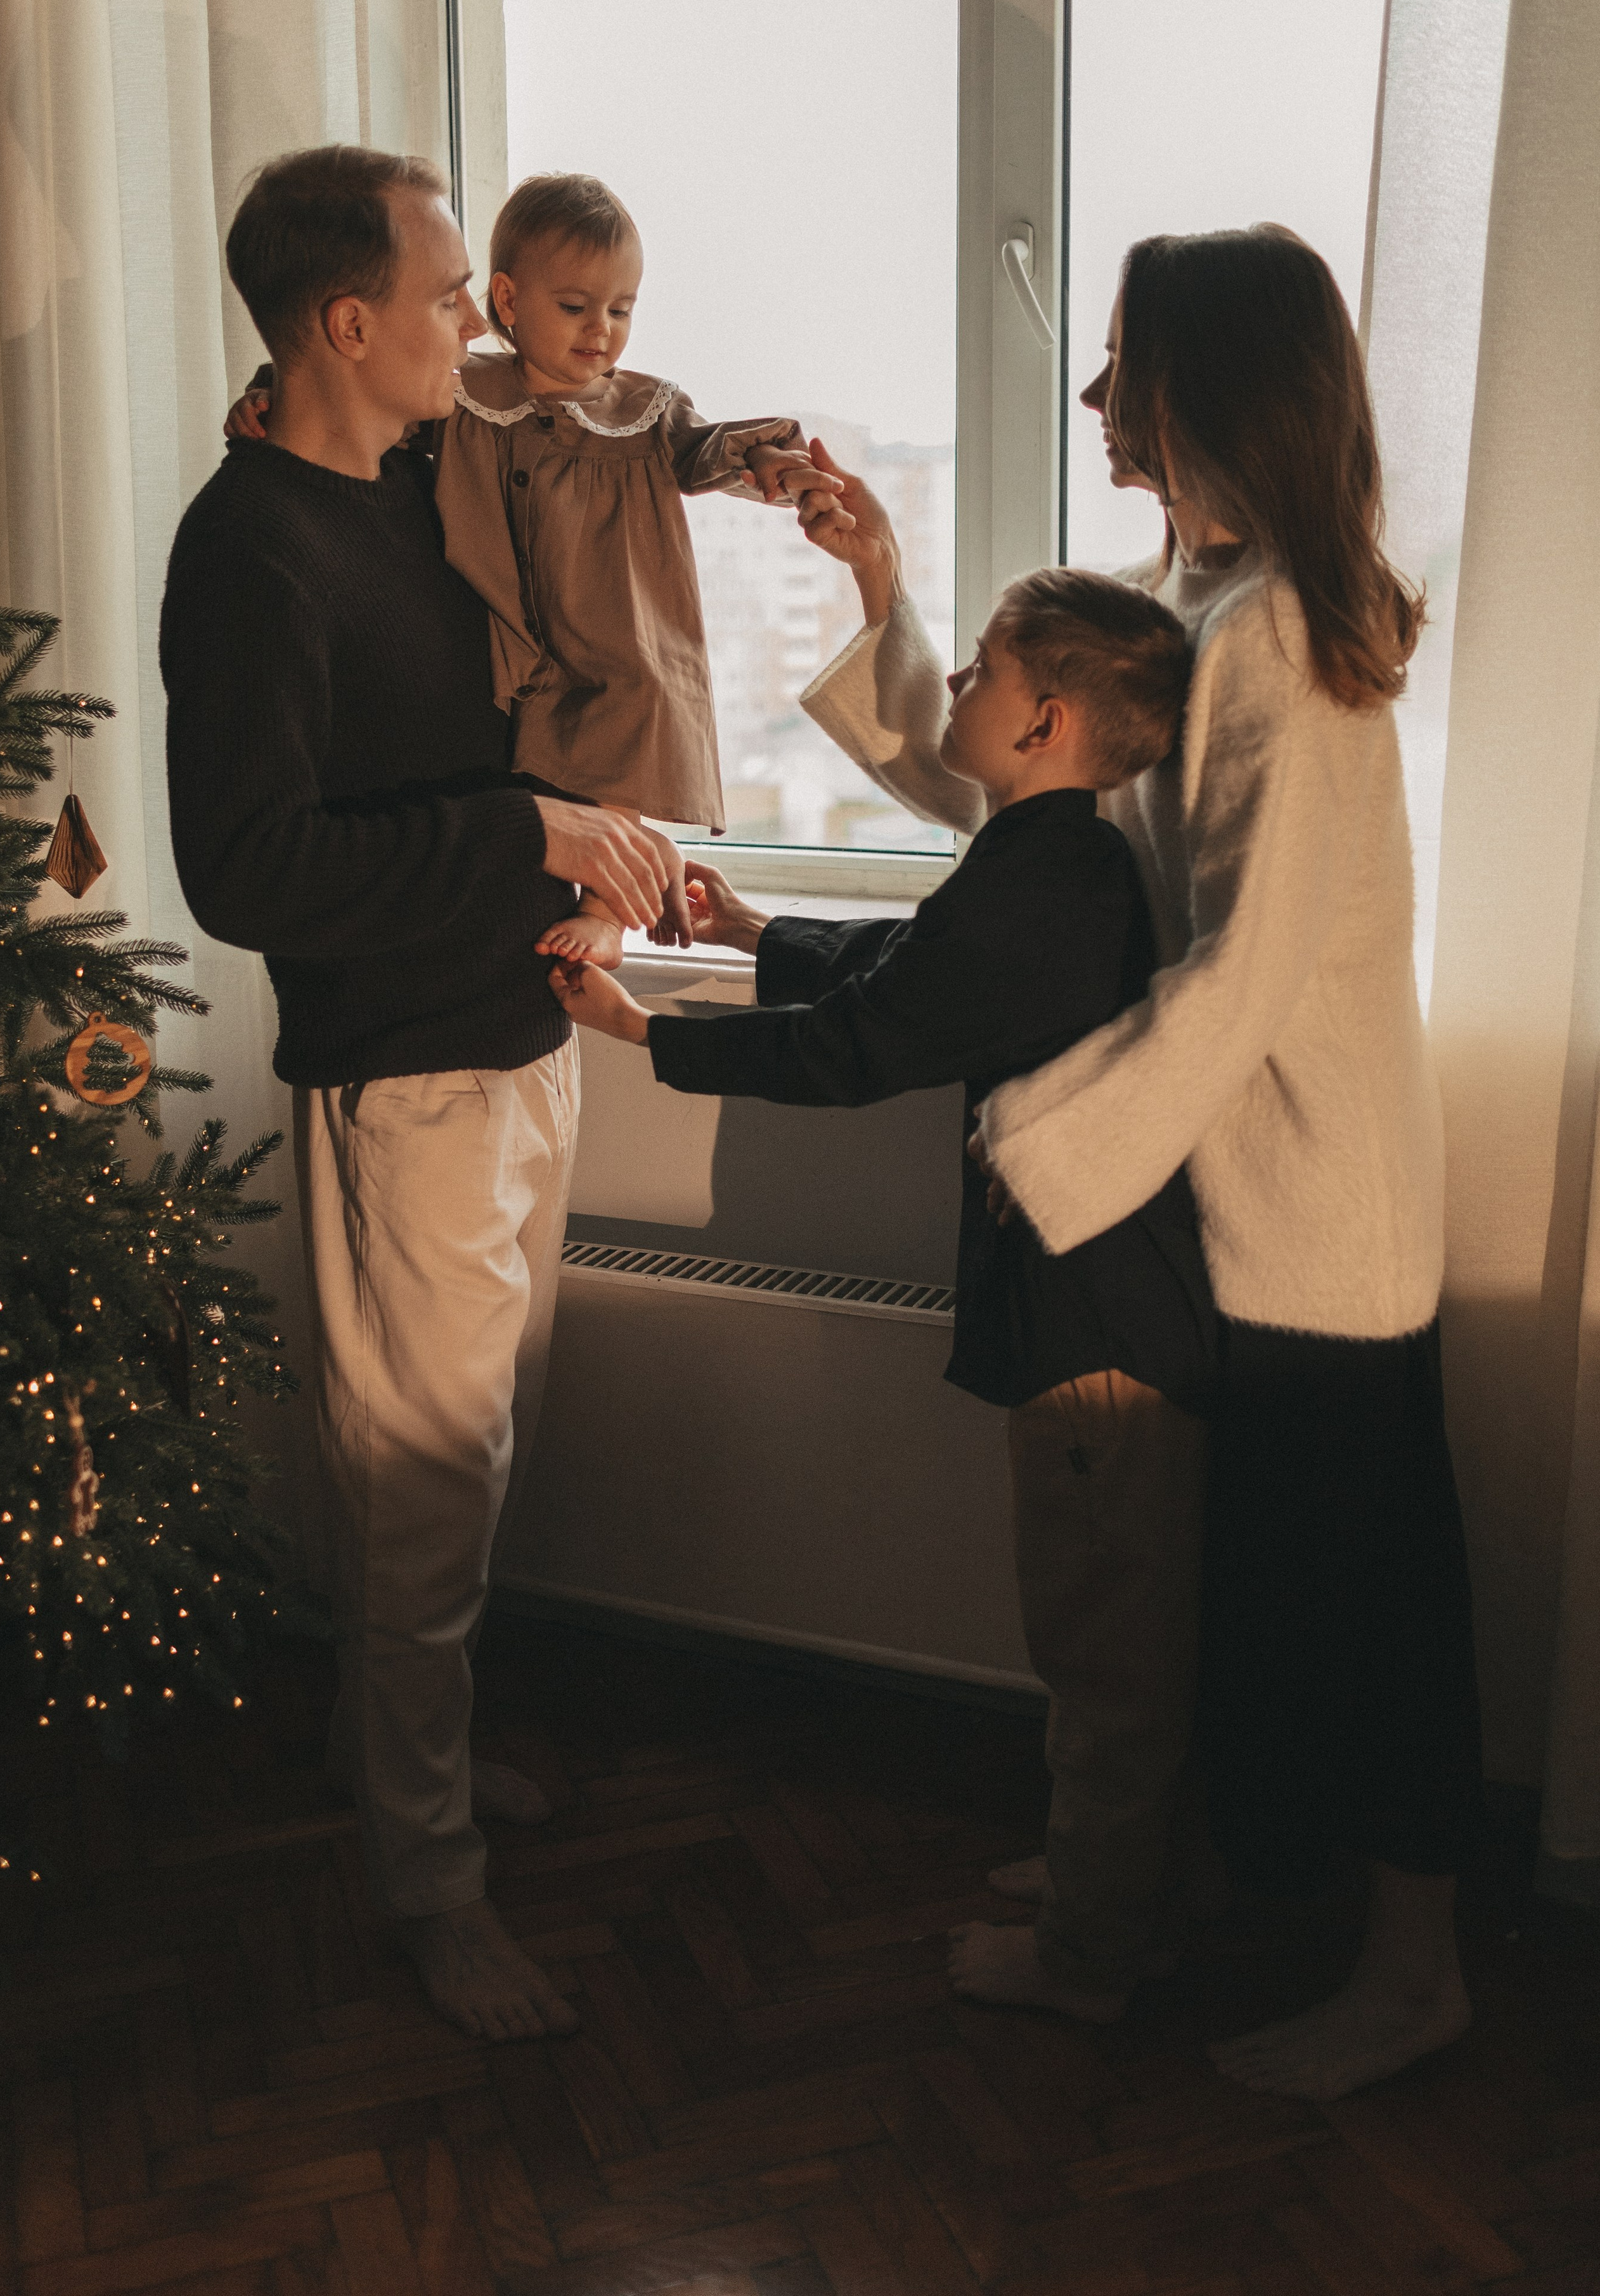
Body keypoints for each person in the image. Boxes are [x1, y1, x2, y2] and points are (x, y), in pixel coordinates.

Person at [792, 224, 1485, 2103]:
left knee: (1365, 1614)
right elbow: (1032, 789)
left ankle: (1411, 1976)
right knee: (1236, 1601)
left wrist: (1033, 1147)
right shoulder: (1202, 600)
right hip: (1226, 1201)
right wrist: (878, 587)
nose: (1096, 391)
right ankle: (1173, 1880)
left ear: (1211, 385)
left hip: (1316, 1217)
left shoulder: (1281, 639)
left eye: (1123, 360)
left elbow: (1244, 968)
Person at [160, 143, 672, 2044]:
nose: (478, 319)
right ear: (345, 321)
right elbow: (248, 870)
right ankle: (428, 1882)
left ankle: (401, 1770)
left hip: (517, 1032)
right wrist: (522, 830)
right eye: (452, 292)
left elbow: (588, 449)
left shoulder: (410, 478)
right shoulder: (248, 549)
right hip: (404, 1075)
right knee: (422, 1505)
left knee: (471, 1467)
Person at [550, 568, 1218, 2022]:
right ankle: (1099, 1880)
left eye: (977, 670)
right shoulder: (1048, 859)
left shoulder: (1051, 874)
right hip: (1094, 1310)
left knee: (1103, 1651)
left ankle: (1089, 1955)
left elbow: (866, 1040)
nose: (954, 689)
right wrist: (750, 933)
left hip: (1099, 1333)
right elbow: (920, 970)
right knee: (1092, 1632)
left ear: (1042, 721)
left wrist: (647, 1035)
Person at [226, 170, 841, 963]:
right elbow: (342, 402)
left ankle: (606, 911)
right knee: (532, 757)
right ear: (512, 301)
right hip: (503, 626)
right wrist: (266, 396)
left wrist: (769, 462)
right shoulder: (462, 393)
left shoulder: (643, 408)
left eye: (621, 310)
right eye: (576, 307)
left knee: (622, 730)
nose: (602, 331)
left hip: (613, 623)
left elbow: (707, 449)